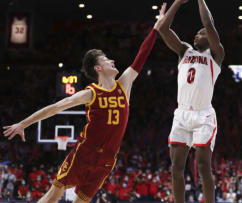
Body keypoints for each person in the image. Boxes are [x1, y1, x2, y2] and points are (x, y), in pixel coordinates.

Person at [2, 4, 168, 203]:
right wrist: (23, 124)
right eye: (107, 60)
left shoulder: (124, 85)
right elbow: (55, 108)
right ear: (98, 68)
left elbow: (141, 56)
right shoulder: (91, 93)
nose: (113, 61)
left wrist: (156, 27)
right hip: (84, 153)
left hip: (106, 160)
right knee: (53, 195)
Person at [158, 0, 225, 202]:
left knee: (203, 165)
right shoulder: (184, 51)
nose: (198, 35)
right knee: (176, 167)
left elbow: (209, 25)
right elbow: (163, 28)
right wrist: (177, 2)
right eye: (196, 33)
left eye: (201, 33)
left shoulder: (216, 54)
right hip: (182, 113)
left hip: (203, 114)